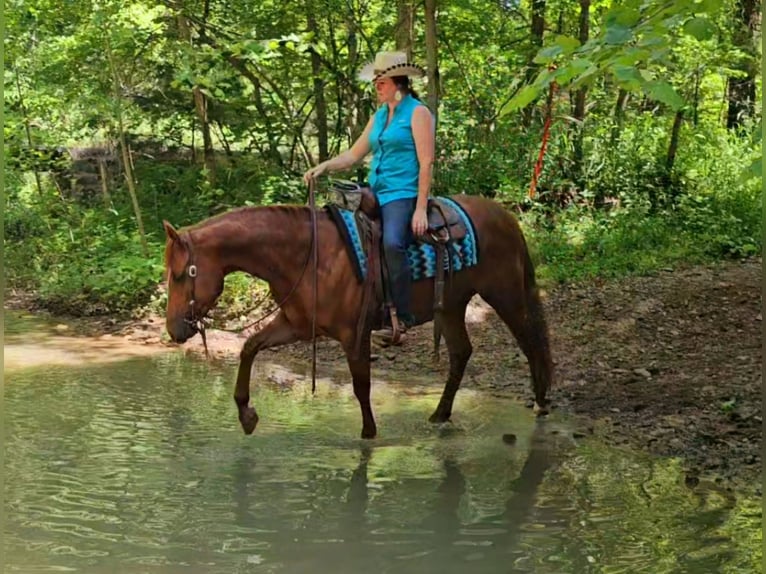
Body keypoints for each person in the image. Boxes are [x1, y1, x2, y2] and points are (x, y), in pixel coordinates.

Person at [304, 51, 435, 344]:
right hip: (376, 190)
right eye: (375, 81)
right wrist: (324, 166)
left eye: (381, 81)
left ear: (397, 82)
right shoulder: (379, 115)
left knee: (391, 243)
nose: (376, 85)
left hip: (403, 192)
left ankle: (402, 317)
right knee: (333, 214)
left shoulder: (418, 112)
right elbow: (353, 155)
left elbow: (426, 161)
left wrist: (421, 209)